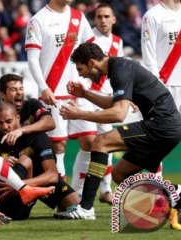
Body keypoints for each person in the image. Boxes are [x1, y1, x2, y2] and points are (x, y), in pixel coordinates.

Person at [56, 43, 181, 224]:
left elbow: (118, 114)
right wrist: (84, 93)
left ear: (92, 63)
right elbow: (113, 103)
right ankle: (174, 192)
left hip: (162, 125)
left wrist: (79, 114)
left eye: (81, 69)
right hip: (167, 126)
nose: (81, 74)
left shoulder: (119, 70)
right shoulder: (120, 67)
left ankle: (85, 208)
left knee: (100, 142)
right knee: (119, 174)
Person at [25, 0, 97, 180]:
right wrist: (43, 88)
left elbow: (91, 50)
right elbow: (32, 59)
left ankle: (80, 194)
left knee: (90, 142)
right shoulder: (38, 20)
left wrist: (91, 81)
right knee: (58, 146)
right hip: (53, 93)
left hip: (80, 91)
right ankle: (63, 193)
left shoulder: (78, 17)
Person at [0, 102, 79, 220]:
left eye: (9, 121)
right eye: (0, 123)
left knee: (75, 204)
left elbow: (52, 175)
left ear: (18, 118)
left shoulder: (37, 137)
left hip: (40, 181)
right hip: (4, 187)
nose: (4, 127)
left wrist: (20, 185)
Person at [71, 3, 123, 205]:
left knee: (107, 144)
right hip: (86, 96)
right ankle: (76, 192)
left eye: (106, 16)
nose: (102, 20)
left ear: (113, 19)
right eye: (99, 16)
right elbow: (77, 64)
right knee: (87, 145)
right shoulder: (87, 38)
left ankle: (106, 190)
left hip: (107, 98)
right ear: (95, 19)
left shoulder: (118, 41)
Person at [0, 73, 55, 145]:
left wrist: (21, 130)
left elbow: (50, 123)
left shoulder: (32, 105)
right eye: (13, 89)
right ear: (2, 94)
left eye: (21, 89)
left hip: (35, 153)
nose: (19, 93)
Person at [141, 0, 181, 113]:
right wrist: (156, 86)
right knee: (169, 129)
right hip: (166, 84)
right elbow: (148, 54)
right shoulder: (152, 16)